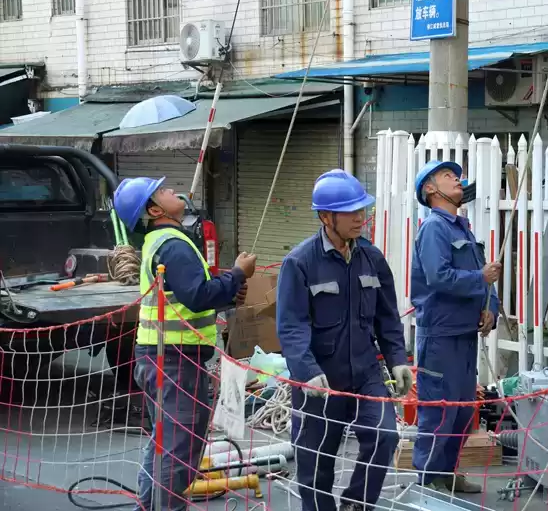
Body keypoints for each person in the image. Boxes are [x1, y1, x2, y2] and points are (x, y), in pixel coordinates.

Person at [113, 177, 257, 511]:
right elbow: (196, 297)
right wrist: (236, 273)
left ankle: (148, 507)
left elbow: (188, 297)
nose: (173, 191)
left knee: (163, 441)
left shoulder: (162, 240)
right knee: (179, 447)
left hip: (161, 356)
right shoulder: (173, 245)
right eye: (163, 191)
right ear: (154, 209)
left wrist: (227, 291)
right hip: (176, 360)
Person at [276, 169, 412, 511]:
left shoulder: (372, 258)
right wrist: (306, 370)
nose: (360, 218)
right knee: (316, 461)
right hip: (321, 376)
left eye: (362, 210)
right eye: (351, 212)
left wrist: (398, 359)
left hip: (366, 372)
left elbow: (387, 318)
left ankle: (356, 503)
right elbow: (291, 325)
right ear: (326, 217)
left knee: (384, 436)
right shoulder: (300, 262)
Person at [410, 160, 502, 493]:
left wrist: (490, 309)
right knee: (438, 414)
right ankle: (427, 484)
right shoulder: (434, 228)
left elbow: (483, 280)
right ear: (430, 190)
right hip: (441, 336)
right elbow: (439, 277)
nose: (458, 180)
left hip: (464, 335)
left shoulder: (462, 228)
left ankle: (446, 475)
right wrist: (481, 278)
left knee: (463, 413)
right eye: (449, 176)